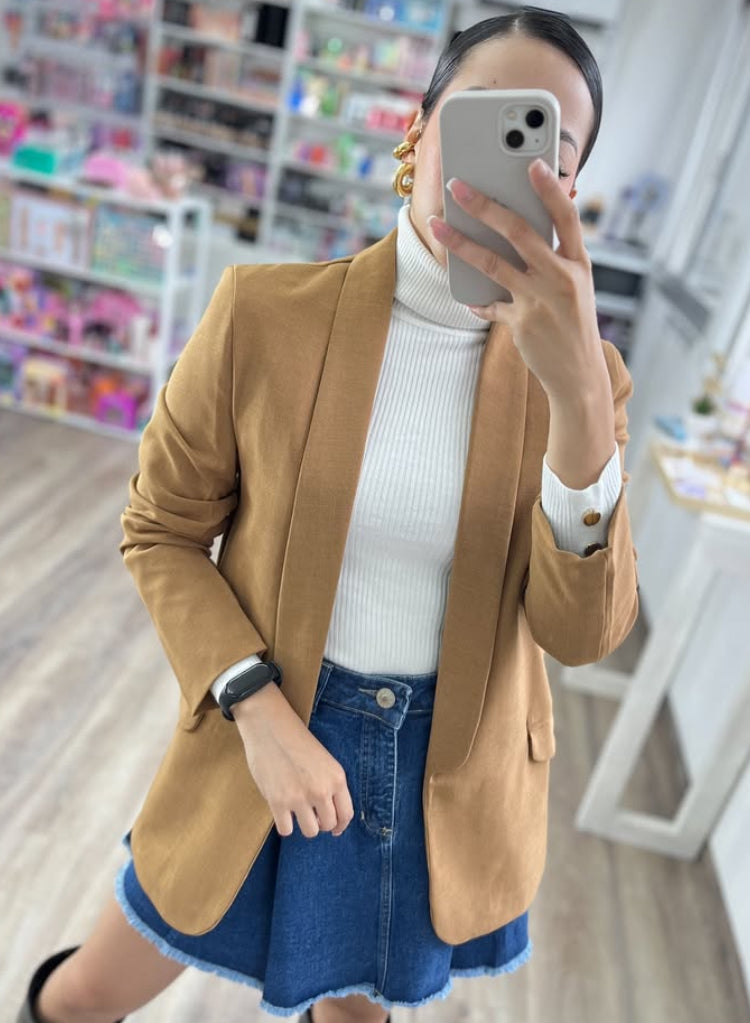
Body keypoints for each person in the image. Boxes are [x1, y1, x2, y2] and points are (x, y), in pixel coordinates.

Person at [17, 7, 639, 1023]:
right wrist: (257, 708)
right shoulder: (264, 315)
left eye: (547, 148)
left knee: (355, 1014)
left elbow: (581, 633)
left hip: (442, 777)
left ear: (568, 191)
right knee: (88, 997)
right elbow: (162, 528)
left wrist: (575, 405)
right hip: (261, 733)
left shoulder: (586, 381)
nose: (509, 163)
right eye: (482, 117)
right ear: (418, 131)